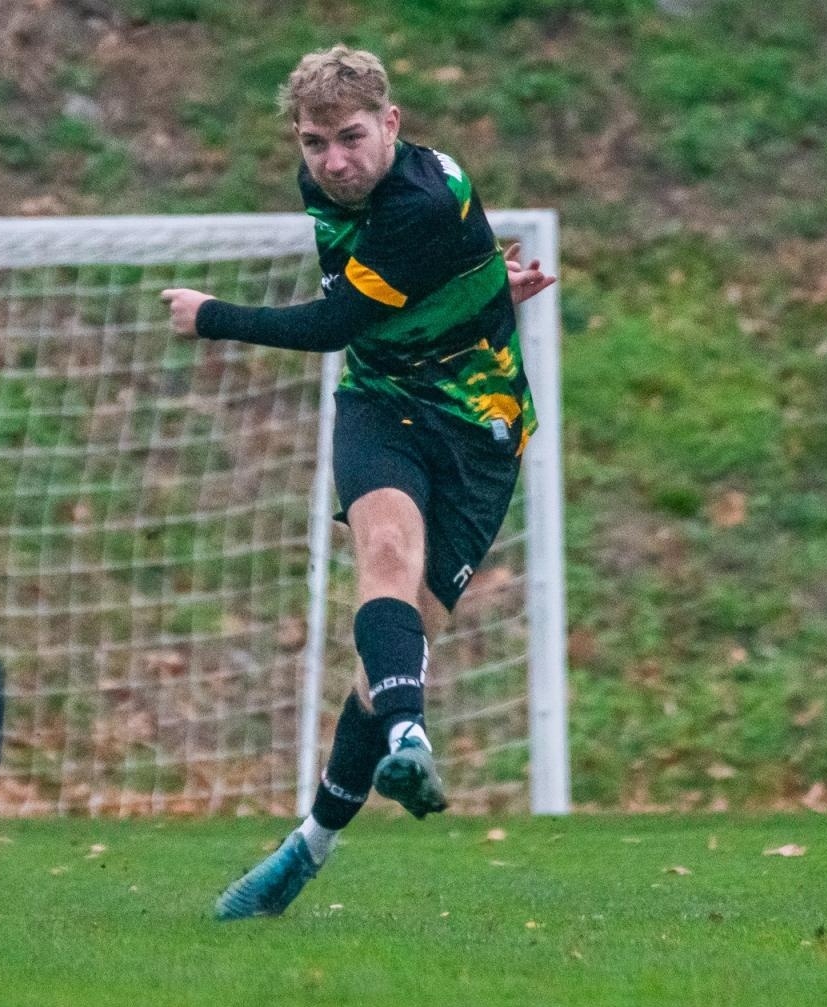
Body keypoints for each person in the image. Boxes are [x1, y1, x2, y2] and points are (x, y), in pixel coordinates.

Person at [159, 43, 556, 921]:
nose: (332, 164)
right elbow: (420, 282)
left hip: (480, 429)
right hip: (382, 401)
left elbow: (338, 316)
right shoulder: (335, 189)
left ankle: (311, 844)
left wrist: (212, 316)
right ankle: (412, 738)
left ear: (391, 124)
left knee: (396, 654)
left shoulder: (420, 196)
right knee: (382, 550)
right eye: (312, 144)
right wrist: (489, 289)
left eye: (348, 139)